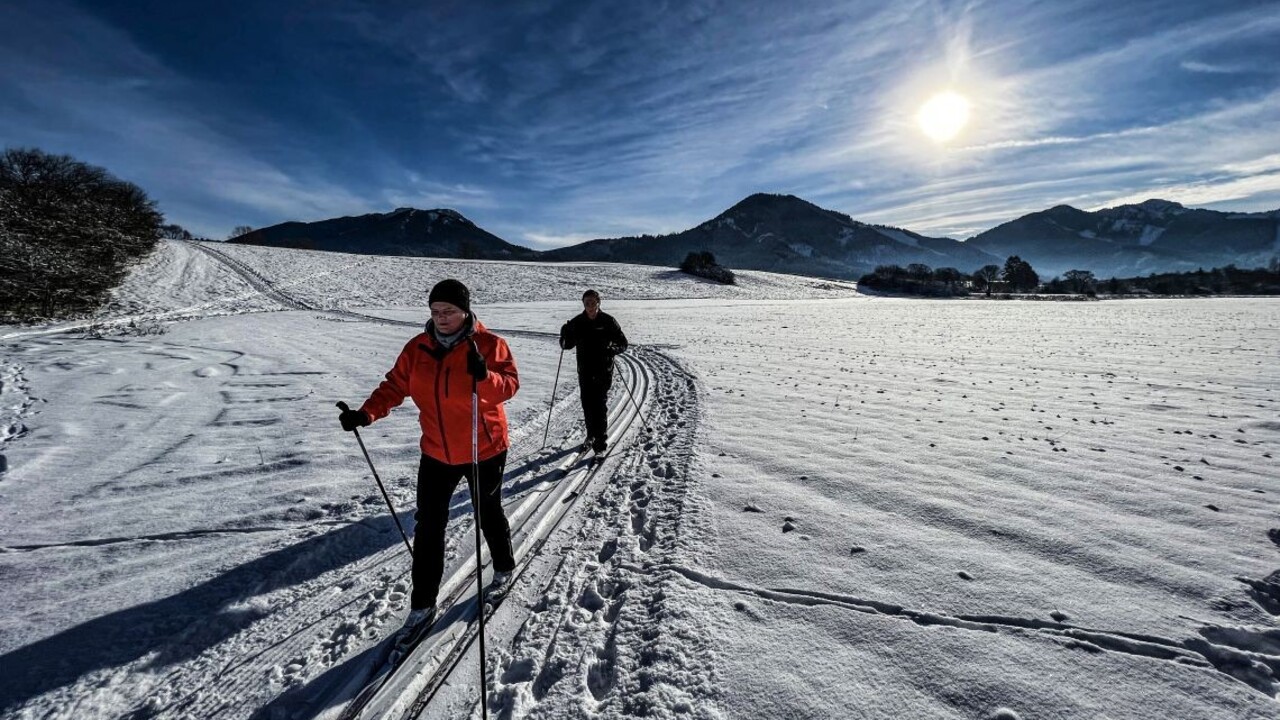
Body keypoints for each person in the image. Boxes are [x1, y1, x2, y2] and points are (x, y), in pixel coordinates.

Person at [338, 278, 519, 639]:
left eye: (448, 311)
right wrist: (366, 413)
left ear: (465, 311)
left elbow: (509, 385)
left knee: (488, 511)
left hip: (482, 448)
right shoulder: (417, 348)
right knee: (428, 527)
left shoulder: (488, 344)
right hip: (436, 450)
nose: (441, 317)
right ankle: (422, 605)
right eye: (435, 311)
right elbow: (394, 385)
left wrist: (483, 377)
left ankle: (503, 568)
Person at [559, 289, 628, 455]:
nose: (589, 305)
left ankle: (600, 444)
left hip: (604, 370)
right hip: (584, 370)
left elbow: (623, 343)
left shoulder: (608, 321)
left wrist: (613, 349)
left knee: (599, 406)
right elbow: (566, 345)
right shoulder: (577, 322)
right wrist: (564, 334)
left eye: (592, 302)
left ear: (598, 303)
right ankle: (590, 436)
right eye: (586, 302)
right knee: (587, 405)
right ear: (583, 304)